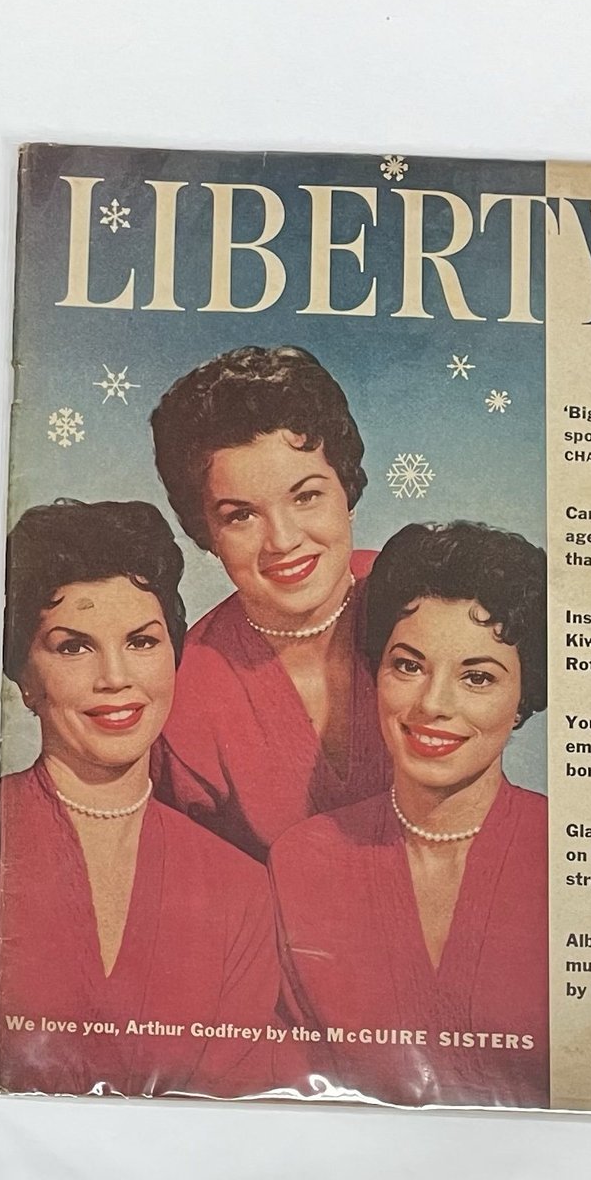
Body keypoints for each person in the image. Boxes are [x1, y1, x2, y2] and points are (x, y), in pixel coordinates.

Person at [0, 498, 279, 1099]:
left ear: (174, 657)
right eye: (73, 647)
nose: (115, 677)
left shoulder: (241, 891)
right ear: (24, 677)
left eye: (142, 642)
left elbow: (236, 1112)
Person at [267, 521, 549, 1108]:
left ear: (524, 696)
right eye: (409, 666)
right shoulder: (302, 862)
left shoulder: (568, 854)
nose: (433, 704)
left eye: (477, 677)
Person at [149, 345, 392, 861]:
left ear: (346, 491)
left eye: (306, 496)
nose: (282, 540)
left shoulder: (424, 597)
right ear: (207, 533)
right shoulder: (184, 691)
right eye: (241, 516)